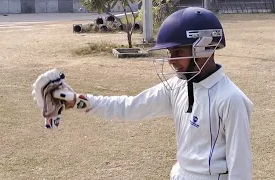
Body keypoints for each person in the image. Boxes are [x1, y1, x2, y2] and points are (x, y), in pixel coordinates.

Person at [32, 7, 253, 180]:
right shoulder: (177, 86)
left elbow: (240, 165)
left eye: (178, 52)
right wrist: (77, 101)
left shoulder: (231, 99)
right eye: (169, 53)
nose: (171, 60)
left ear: (204, 46)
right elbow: (130, 107)